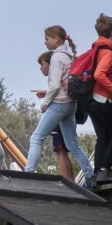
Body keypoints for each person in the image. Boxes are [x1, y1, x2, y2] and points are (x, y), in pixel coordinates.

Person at [26, 27, 89, 181]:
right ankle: (90, 174)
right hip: (71, 104)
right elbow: (63, 83)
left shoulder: (56, 58)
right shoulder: (69, 55)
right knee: (73, 144)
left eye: (47, 39)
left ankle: (28, 173)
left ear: (56, 39)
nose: (45, 42)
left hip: (59, 104)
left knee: (36, 138)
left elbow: (55, 85)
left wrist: (46, 103)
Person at [80, 14, 112, 187]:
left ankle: (97, 173)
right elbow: (99, 74)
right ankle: (104, 169)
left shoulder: (95, 49)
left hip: (90, 100)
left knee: (103, 136)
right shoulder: (108, 52)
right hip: (102, 99)